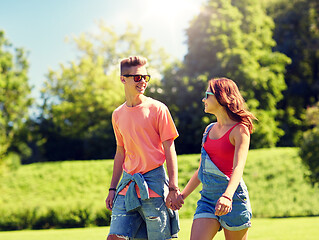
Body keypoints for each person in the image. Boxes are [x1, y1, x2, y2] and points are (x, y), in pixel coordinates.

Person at [105, 56, 182, 240]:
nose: (143, 82)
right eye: (138, 77)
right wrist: (112, 188)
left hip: (154, 184)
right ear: (123, 78)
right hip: (127, 185)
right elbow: (120, 152)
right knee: (115, 237)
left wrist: (173, 187)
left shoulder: (158, 109)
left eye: (146, 77)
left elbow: (170, 148)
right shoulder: (117, 115)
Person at [176, 78, 257, 240]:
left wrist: (227, 196)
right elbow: (202, 170)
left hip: (233, 198)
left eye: (207, 94)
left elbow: (239, 167)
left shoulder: (239, 130)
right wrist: (182, 195)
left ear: (221, 97)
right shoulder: (208, 130)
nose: (203, 99)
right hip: (207, 199)